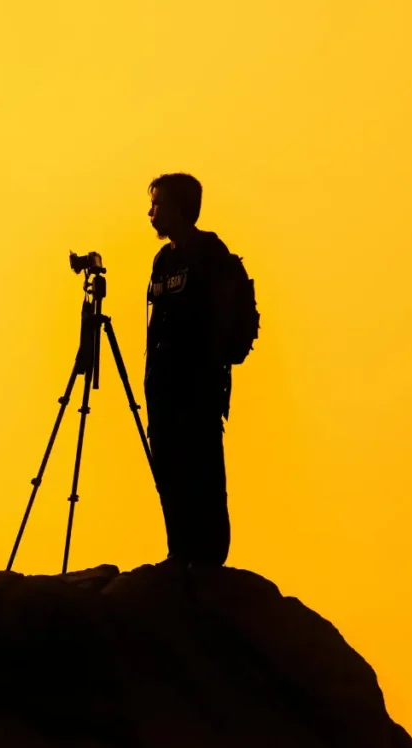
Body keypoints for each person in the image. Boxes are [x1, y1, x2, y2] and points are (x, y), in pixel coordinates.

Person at [144, 173, 239, 568]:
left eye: (158, 204)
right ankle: (179, 551)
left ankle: (208, 558)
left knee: (201, 470)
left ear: (181, 208)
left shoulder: (210, 253)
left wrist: (211, 363)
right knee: (167, 470)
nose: (151, 213)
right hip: (163, 387)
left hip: (197, 386)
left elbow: (229, 316)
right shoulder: (163, 261)